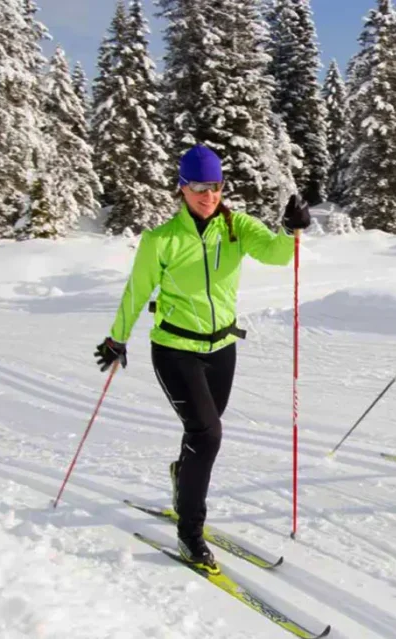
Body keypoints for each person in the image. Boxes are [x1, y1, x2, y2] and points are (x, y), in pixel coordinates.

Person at [94, 144, 311, 572]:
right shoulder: (162, 240)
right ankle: (190, 532)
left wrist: (291, 230)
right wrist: (116, 339)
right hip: (175, 349)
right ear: (181, 188)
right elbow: (137, 292)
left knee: (201, 437)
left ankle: (182, 478)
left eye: (214, 186)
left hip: (221, 349)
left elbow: (277, 254)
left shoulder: (236, 227)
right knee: (207, 434)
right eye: (197, 187)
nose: (207, 195)